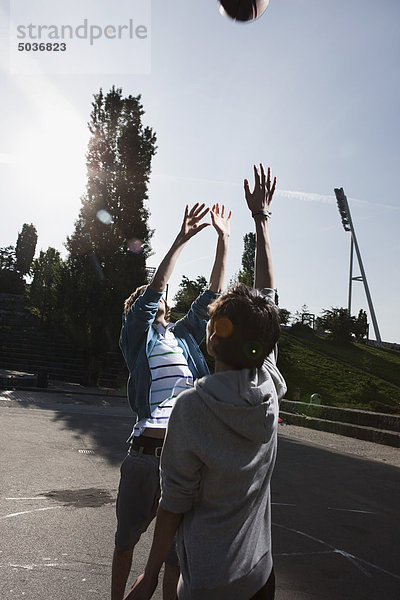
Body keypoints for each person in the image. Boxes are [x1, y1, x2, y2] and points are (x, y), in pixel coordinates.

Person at [123, 164, 287, 600]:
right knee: (127, 534)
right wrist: (261, 220)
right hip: (259, 574)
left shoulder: (191, 409)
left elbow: (174, 504)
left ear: (211, 340)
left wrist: (152, 574)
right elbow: (265, 302)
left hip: (210, 581)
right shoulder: (269, 386)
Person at [112, 202, 231, 600]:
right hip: (146, 454)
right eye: (145, 300)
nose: (155, 301)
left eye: (157, 300)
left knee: (176, 557)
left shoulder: (183, 339)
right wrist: (180, 239)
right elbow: (150, 296)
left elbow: (213, 297)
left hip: (184, 457)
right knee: (127, 540)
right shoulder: (137, 338)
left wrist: (223, 240)